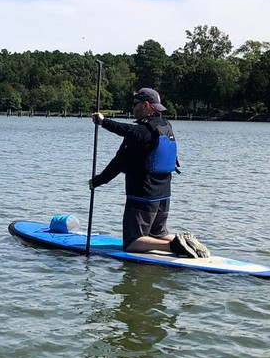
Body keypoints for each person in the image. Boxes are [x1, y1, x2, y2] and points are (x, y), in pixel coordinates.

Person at [90, 88, 210, 258]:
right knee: (158, 234)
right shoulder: (165, 126)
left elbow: (117, 164)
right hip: (163, 196)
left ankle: (175, 246)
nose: (133, 108)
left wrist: (96, 182)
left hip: (142, 197)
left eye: (135, 104)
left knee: (132, 242)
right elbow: (131, 131)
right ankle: (186, 242)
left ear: (146, 105)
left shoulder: (140, 132)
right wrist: (105, 122)